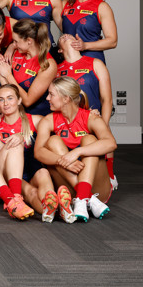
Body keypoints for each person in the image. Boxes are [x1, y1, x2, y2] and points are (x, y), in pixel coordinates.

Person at [0, 84, 75, 223]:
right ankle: (60, 210)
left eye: (10, 98)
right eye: (1, 100)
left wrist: (88, 114)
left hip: (30, 168)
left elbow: (67, 124)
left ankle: (52, 208)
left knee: (43, 173)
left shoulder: (34, 120)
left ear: (19, 100)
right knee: (30, 192)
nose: (6, 103)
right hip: (7, 174)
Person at [34, 77, 116, 222]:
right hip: (69, 190)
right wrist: (64, 160)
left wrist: (77, 152)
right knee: (53, 141)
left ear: (66, 99)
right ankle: (84, 199)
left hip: (98, 191)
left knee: (89, 141)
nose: (47, 98)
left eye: (51, 94)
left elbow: (111, 143)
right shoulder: (48, 120)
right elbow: (38, 152)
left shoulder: (91, 117)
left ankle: (85, 197)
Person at [56, 33, 117, 190]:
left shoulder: (95, 63)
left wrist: (103, 123)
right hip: (70, 122)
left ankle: (110, 176)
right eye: (61, 38)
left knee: (105, 134)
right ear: (59, 51)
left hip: (93, 117)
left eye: (68, 35)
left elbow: (107, 99)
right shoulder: (57, 70)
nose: (64, 35)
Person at [0, 19, 57, 116]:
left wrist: (8, 75)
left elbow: (28, 101)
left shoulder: (48, 65)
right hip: (17, 114)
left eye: (15, 41)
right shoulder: (17, 52)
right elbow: (5, 82)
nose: (13, 45)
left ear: (29, 41)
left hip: (38, 116)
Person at [61, 0, 117, 64]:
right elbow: (42, 7)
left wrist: (85, 45)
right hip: (68, 63)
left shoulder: (101, 7)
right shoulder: (64, 5)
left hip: (92, 64)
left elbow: (112, 41)